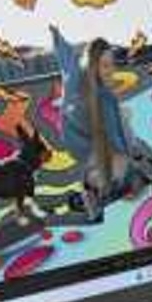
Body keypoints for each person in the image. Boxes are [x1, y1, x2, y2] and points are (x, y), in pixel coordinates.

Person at [50, 25, 134, 223]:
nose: (111, 71)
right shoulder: (103, 98)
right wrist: (126, 158)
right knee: (123, 123)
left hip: (78, 142)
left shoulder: (76, 76)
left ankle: (98, 182)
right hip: (87, 146)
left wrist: (57, 38)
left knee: (123, 117)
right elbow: (114, 135)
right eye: (105, 66)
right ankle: (101, 185)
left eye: (112, 65)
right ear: (92, 66)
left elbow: (68, 59)